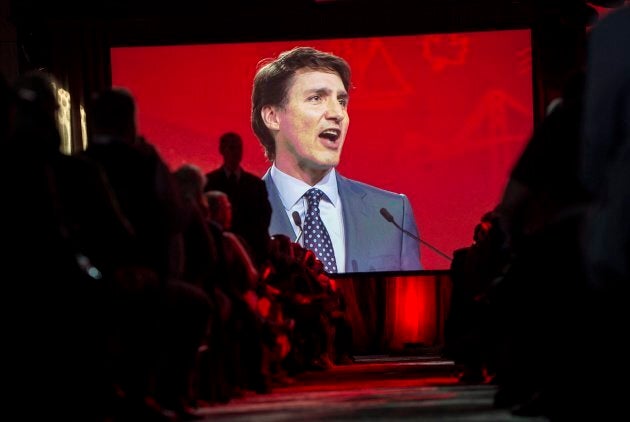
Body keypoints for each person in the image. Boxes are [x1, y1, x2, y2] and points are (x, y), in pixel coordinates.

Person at [251, 46, 422, 273]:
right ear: (272, 117)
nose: (337, 113)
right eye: (316, 98)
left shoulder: (392, 212)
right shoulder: (239, 215)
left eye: (341, 101)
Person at [204, 132, 271, 268]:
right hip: (218, 253)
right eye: (232, 148)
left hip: (250, 251)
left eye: (239, 148)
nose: (236, 152)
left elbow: (264, 219)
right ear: (222, 150)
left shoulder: (256, 185)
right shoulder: (209, 182)